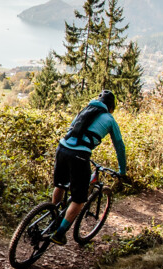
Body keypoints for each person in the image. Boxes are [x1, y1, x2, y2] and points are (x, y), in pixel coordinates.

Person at [49, 90, 126, 246]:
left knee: (60, 185)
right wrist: (122, 171)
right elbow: (120, 146)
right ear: (111, 107)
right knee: (79, 199)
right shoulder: (109, 119)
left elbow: (72, 130)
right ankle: (59, 233)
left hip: (62, 148)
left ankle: (53, 217)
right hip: (79, 155)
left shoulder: (85, 110)